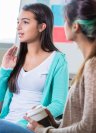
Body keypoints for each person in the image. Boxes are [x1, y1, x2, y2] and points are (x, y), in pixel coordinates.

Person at [0, 3, 68, 133]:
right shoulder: (17, 59)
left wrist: (34, 117)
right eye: (18, 22)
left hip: (30, 127)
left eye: (25, 22)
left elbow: (59, 104)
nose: (18, 27)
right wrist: (4, 68)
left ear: (42, 26)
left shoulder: (58, 61)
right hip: (6, 121)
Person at [27, 0, 96, 132]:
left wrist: (43, 131)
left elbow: (89, 127)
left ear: (75, 26)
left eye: (65, 20)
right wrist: (55, 123)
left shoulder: (92, 66)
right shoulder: (90, 64)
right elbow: (81, 121)